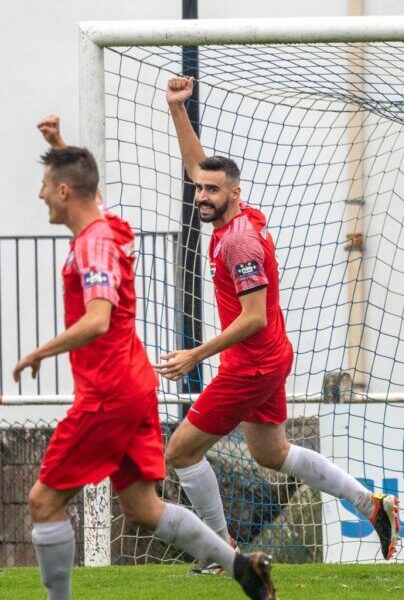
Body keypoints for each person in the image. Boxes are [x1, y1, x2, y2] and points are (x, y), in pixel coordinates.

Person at [13, 145, 275, 599]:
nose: (40, 196)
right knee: (141, 506)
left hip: (107, 393)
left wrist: (40, 351)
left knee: (43, 501)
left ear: (62, 190)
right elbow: (88, 191)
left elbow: (97, 319)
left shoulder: (94, 242)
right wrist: (58, 145)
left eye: (44, 187)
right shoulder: (108, 227)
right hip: (136, 386)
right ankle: (239, 566)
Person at [157, 76, 399, 566]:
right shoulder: (239, 217)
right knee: (272, 453)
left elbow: (252, 317)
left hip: (251, 364)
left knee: (180, 452)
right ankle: (372, 507)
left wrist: (195, 355)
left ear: (235, 193)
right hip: (269, 357)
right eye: (199, 188)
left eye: (211, 190)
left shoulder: (240, 243)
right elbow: (198, 165)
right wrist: (178, 110)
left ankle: (218, 553)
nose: (201, 196)